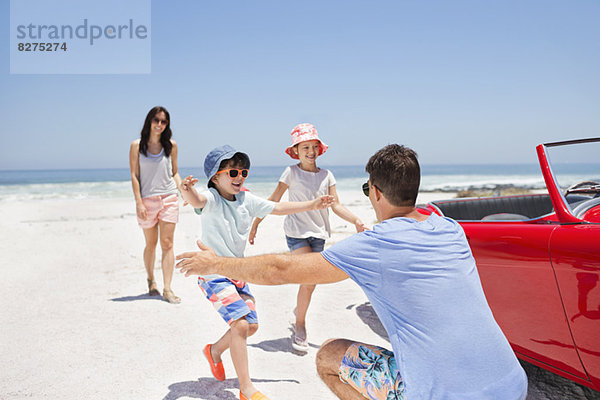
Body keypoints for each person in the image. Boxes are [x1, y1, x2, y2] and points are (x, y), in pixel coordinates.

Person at [176, 144, 528, 400]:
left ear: (374, 192)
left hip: (440, 395)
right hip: (514, 383)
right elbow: (205, 202)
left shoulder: (375, 244)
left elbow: (281, 269)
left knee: (329, 355)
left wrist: (215, 264)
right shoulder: (451, 228)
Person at [178, 144, 334, 400]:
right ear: (215, 177)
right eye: (232, 173)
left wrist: (313, 204)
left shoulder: (246, 200)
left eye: (243, 172)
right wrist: (187, 190)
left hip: (239, 273)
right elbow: (197, 200)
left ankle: (214, 351)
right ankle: (246, 389)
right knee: (240, 325)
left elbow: (277, 208)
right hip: (213, 274)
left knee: (251, 326)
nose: (239, 177)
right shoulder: (212, 199)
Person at [249, 123, 366, 352]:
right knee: (309, 279)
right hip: (296, 233)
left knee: (310, 284)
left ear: (319, 149)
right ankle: (300, 325)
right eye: (305, 147)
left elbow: (337, 206)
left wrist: (355, 220)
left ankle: (298, 313)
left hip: (319, 234)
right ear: (296, 151)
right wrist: (256, 223)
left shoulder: (327, 176)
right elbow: (273, 201)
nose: (311, 151)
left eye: (314, 146)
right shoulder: (291, 172)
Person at [129, 106, 182, 304]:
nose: (159, 124)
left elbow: (174, 172)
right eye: (156, 120)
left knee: (167, 244)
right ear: (149, 121)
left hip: (169, 198)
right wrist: (138, 202)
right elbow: (134, 175)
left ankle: (167, 288)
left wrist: (183, 189)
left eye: (164, 121)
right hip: (147, 201)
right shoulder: (137, 145)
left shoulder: (172, 145)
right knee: (151, 245)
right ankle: (151, 280)